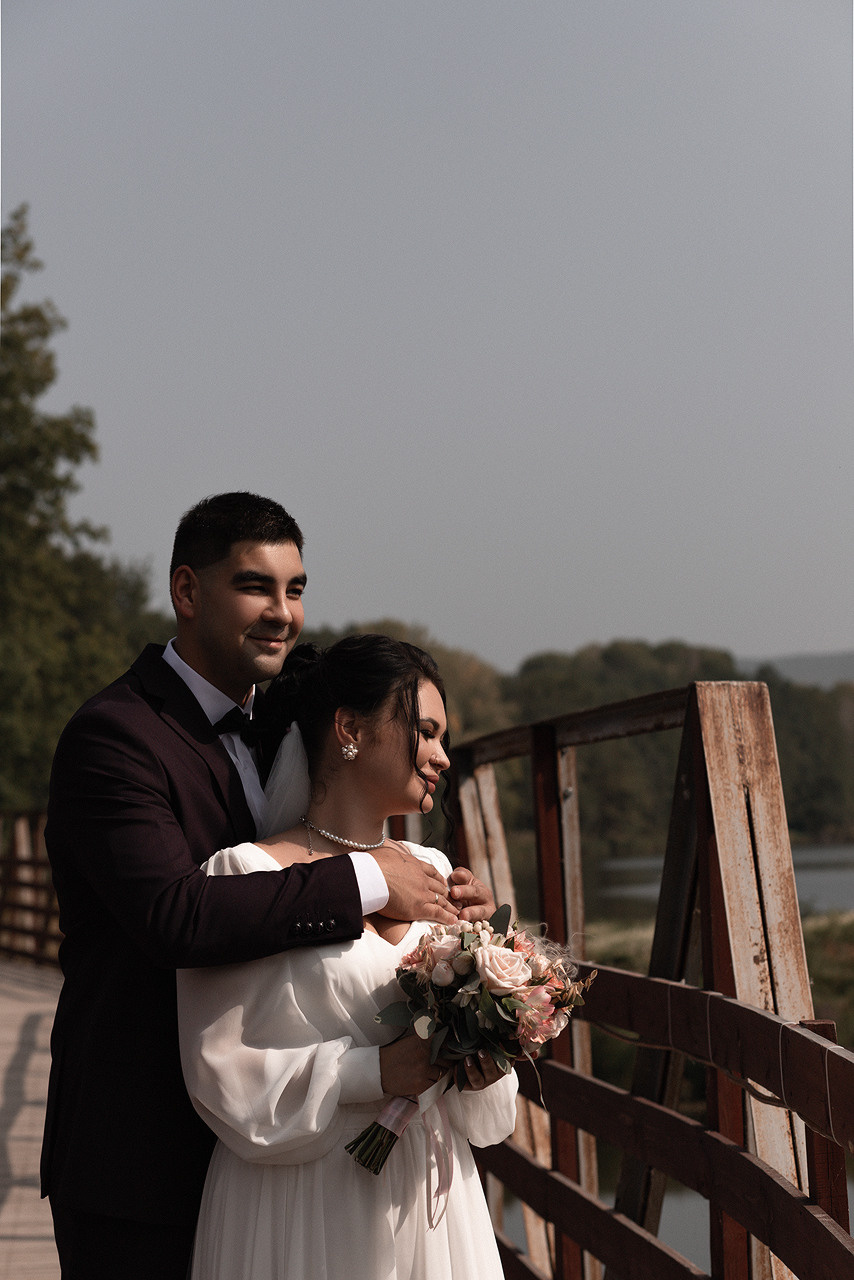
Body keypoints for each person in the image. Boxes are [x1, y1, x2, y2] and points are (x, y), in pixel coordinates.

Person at [41, 492, 495, 1280]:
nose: (283, 612)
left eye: (295, 589)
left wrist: (445, 926)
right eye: (256, 586)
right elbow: (173, 915)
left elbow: (340, 831)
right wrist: (366, 878)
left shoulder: (292, 723)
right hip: (143, 1149)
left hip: (306, 1166)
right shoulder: (115, 735)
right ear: (188, 592)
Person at [178, 634, 517, 1280]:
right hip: (304, 1209)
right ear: (349, 728)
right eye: (425, 731)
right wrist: (377, 1071)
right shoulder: (243, 876)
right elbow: (223, 1074)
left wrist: (487, 1033)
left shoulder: (439, 874)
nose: (443, 756)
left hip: (432, 1204)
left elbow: (486, 1117)